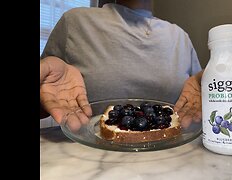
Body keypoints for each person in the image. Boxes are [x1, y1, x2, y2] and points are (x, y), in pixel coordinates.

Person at [40, 0, 203, 131]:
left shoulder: (181, 37)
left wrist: (213, 87)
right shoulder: (74, 22)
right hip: (87, 162)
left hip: (173, 160)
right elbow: (46, 106)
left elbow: (196, 103)